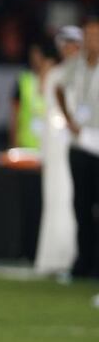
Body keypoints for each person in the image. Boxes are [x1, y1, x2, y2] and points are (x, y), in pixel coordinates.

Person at [36, 28, 82, 276]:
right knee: (55, 198)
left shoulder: (84, 72)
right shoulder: (55, 72)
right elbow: (43, 93)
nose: (70, 48)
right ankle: (53, 257)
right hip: (56, 142)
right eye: (66, 44)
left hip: (77, 141)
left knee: (72, 198)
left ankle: (72, 255)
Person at [57, 18, 99, 279]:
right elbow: (59, 88)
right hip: (81, 141)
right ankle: (83, 262)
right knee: (81, 205)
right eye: (89, 34)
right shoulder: (76, 64)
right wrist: (68, 118)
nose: (92, 40)